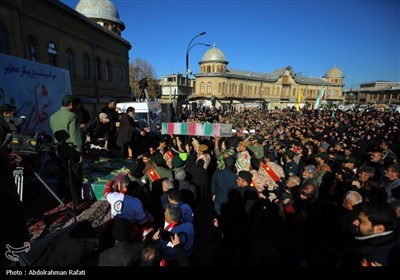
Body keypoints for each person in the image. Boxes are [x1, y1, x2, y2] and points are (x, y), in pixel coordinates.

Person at [50, 94, 84, 207]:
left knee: (63, 175)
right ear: (71, 104)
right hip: (71, 151)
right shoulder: (72, 116)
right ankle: (76, 202)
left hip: (59, 150)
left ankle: (65, 198)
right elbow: (75, 136)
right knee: (75, 177)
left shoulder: (53, 116)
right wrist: (79, 152)